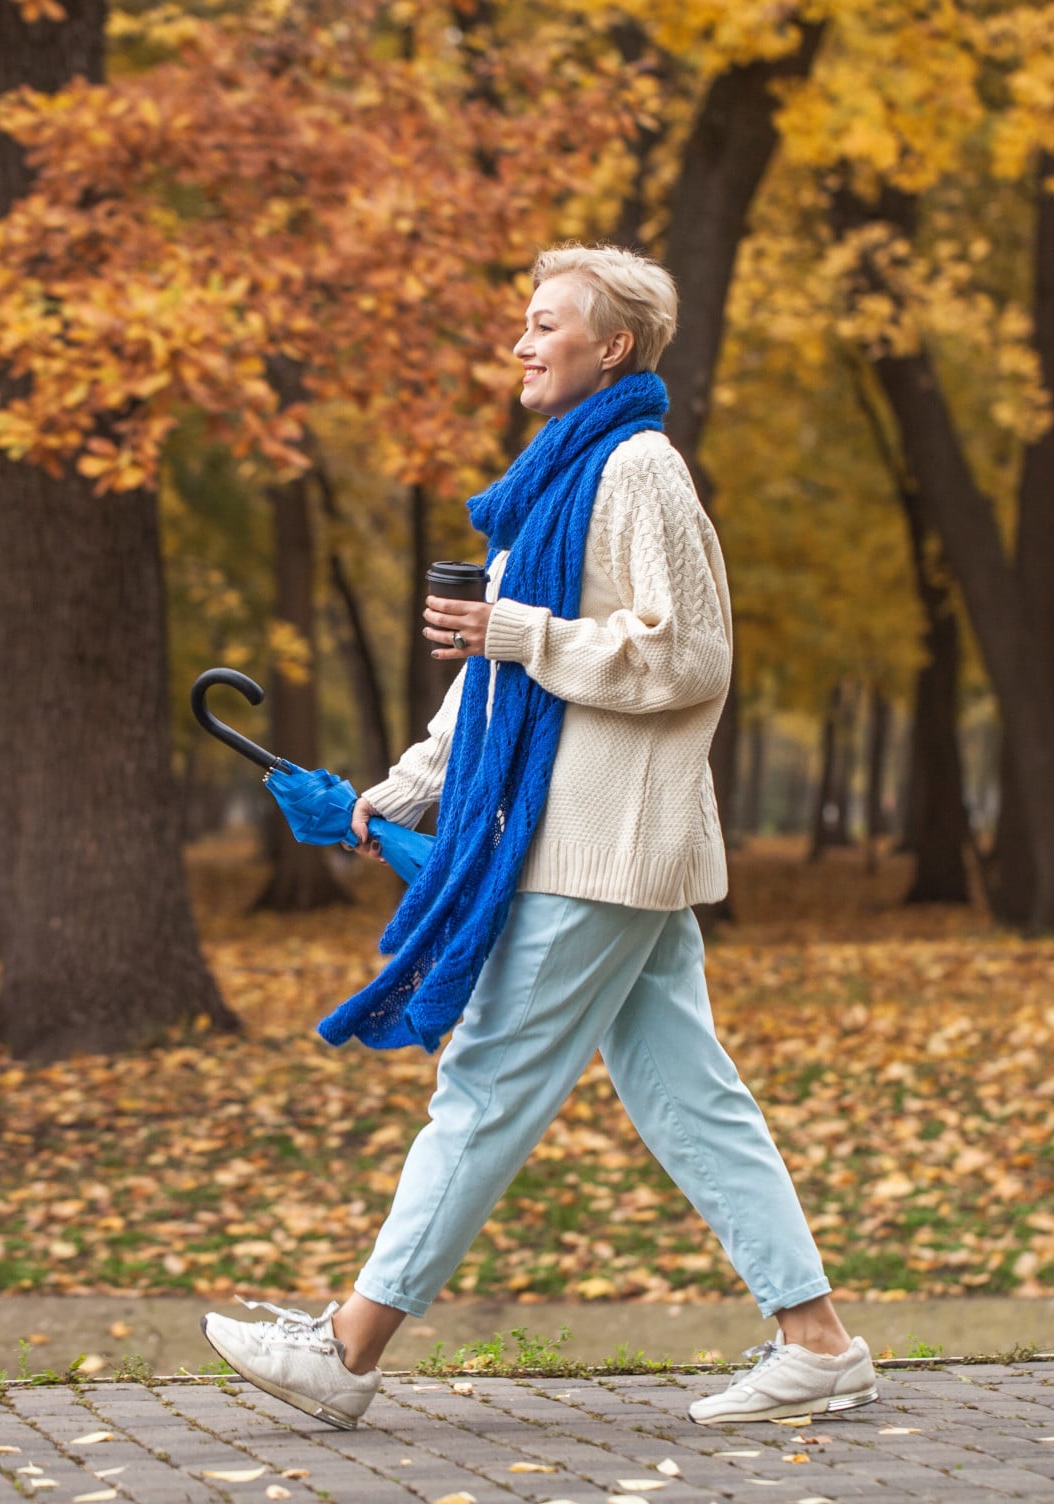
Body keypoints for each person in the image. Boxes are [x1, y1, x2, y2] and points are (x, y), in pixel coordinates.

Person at [201, 244, 877, 1430]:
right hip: (589, 843)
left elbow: (689, 656)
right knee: (688, 1094)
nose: (521, 341)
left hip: (601, 845)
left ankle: (349, 1352)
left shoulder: (640, 469)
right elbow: (490, 689)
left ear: (612, 348)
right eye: (522, 321)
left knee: (484, 1086)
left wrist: (519, 630)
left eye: (546, 323)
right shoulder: (550, 483)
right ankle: (816, 1341)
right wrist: (400, 790)